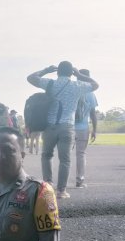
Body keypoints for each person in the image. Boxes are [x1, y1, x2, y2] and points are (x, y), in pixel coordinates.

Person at [27, 61, 99, 199]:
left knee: (46, 155)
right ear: (71, 73)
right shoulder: (77, 85)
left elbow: (30, 78)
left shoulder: (50, 83)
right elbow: (96, 85)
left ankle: (48, 186)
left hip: (49, 126)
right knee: (65, 159)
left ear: (57, 72)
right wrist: (79, 75)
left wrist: (45, 70)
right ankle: (61, 191)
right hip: (67, 127)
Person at [73, 69, 99, 189]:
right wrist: (95, 129)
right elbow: (93, 114)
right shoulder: (91, 94)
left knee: (65, 156)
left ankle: (60, 182)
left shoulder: (72, 90)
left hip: (69, 126)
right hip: (83, 127)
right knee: (81, 154)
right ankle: (80, 180)